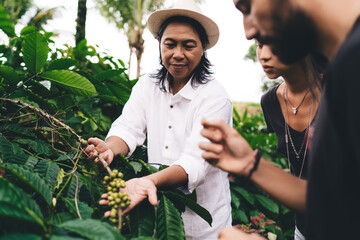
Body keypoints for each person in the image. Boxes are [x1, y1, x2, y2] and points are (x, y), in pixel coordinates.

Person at [199, 0, 360, 239]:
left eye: (247, 6)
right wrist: (251, 164)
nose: (248, 32)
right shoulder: (345, 65)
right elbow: (338, 204)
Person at [85, 0, 233, 239]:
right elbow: (128, 128)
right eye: (170, 44)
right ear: (159, 44)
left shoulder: (215, 97)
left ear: (204, 47)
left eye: (188, 46)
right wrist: (110, 149)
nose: (177, 54)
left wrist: (147, 182)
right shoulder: (148, 85)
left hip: (206, 226)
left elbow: (195, 163)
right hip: (159, 216)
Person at [258, 43, 326, 240]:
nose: (264, 55)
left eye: (273, 44)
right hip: (303, 228)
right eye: (259, 45)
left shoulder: (338, 90)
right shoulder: (270, 102)